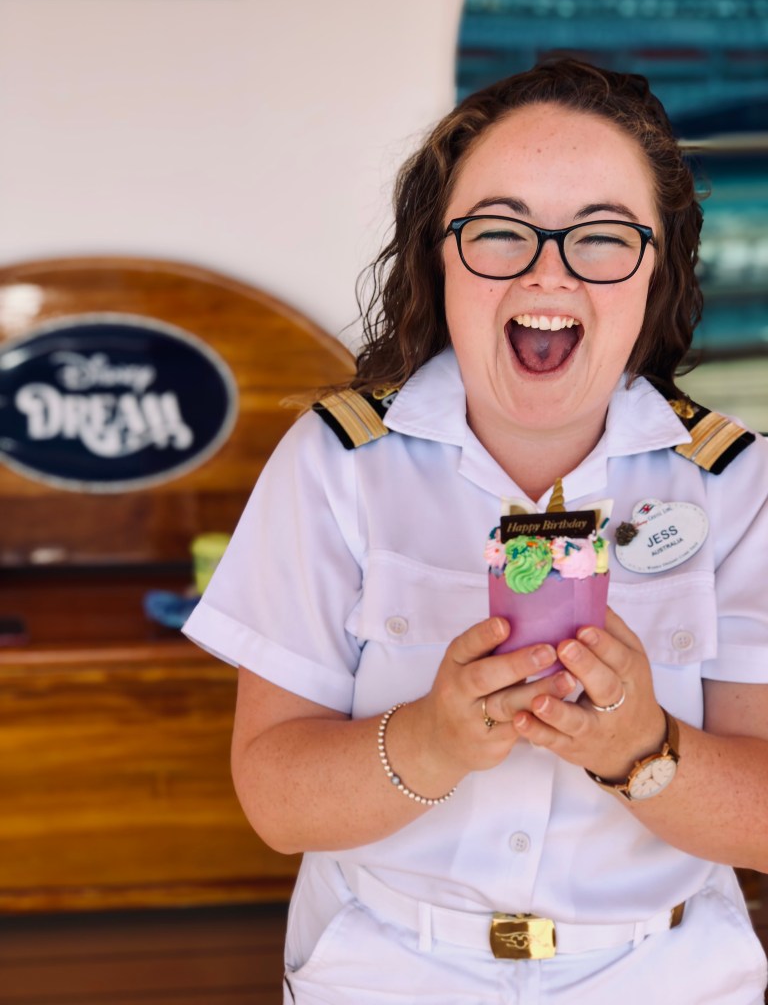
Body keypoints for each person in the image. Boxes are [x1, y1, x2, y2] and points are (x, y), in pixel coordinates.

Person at [183, 58, 768, 1004]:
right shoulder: (336, 462)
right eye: (500, 230)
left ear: (656, 270)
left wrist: (643, 749)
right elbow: (276, 800)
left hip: (666, 975)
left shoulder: (740, 485)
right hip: (385, 971)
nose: (549, 270)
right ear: (440, 256)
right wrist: (431, 741)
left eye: (603, 236)